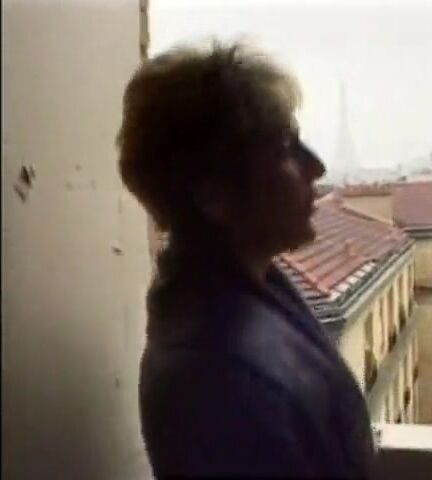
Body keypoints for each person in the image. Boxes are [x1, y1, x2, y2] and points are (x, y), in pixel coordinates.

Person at [117, 40, 376, 478]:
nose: (316, 167)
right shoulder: (218, 380)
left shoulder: (237, 298)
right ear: (213, 192)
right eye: (285, 148)